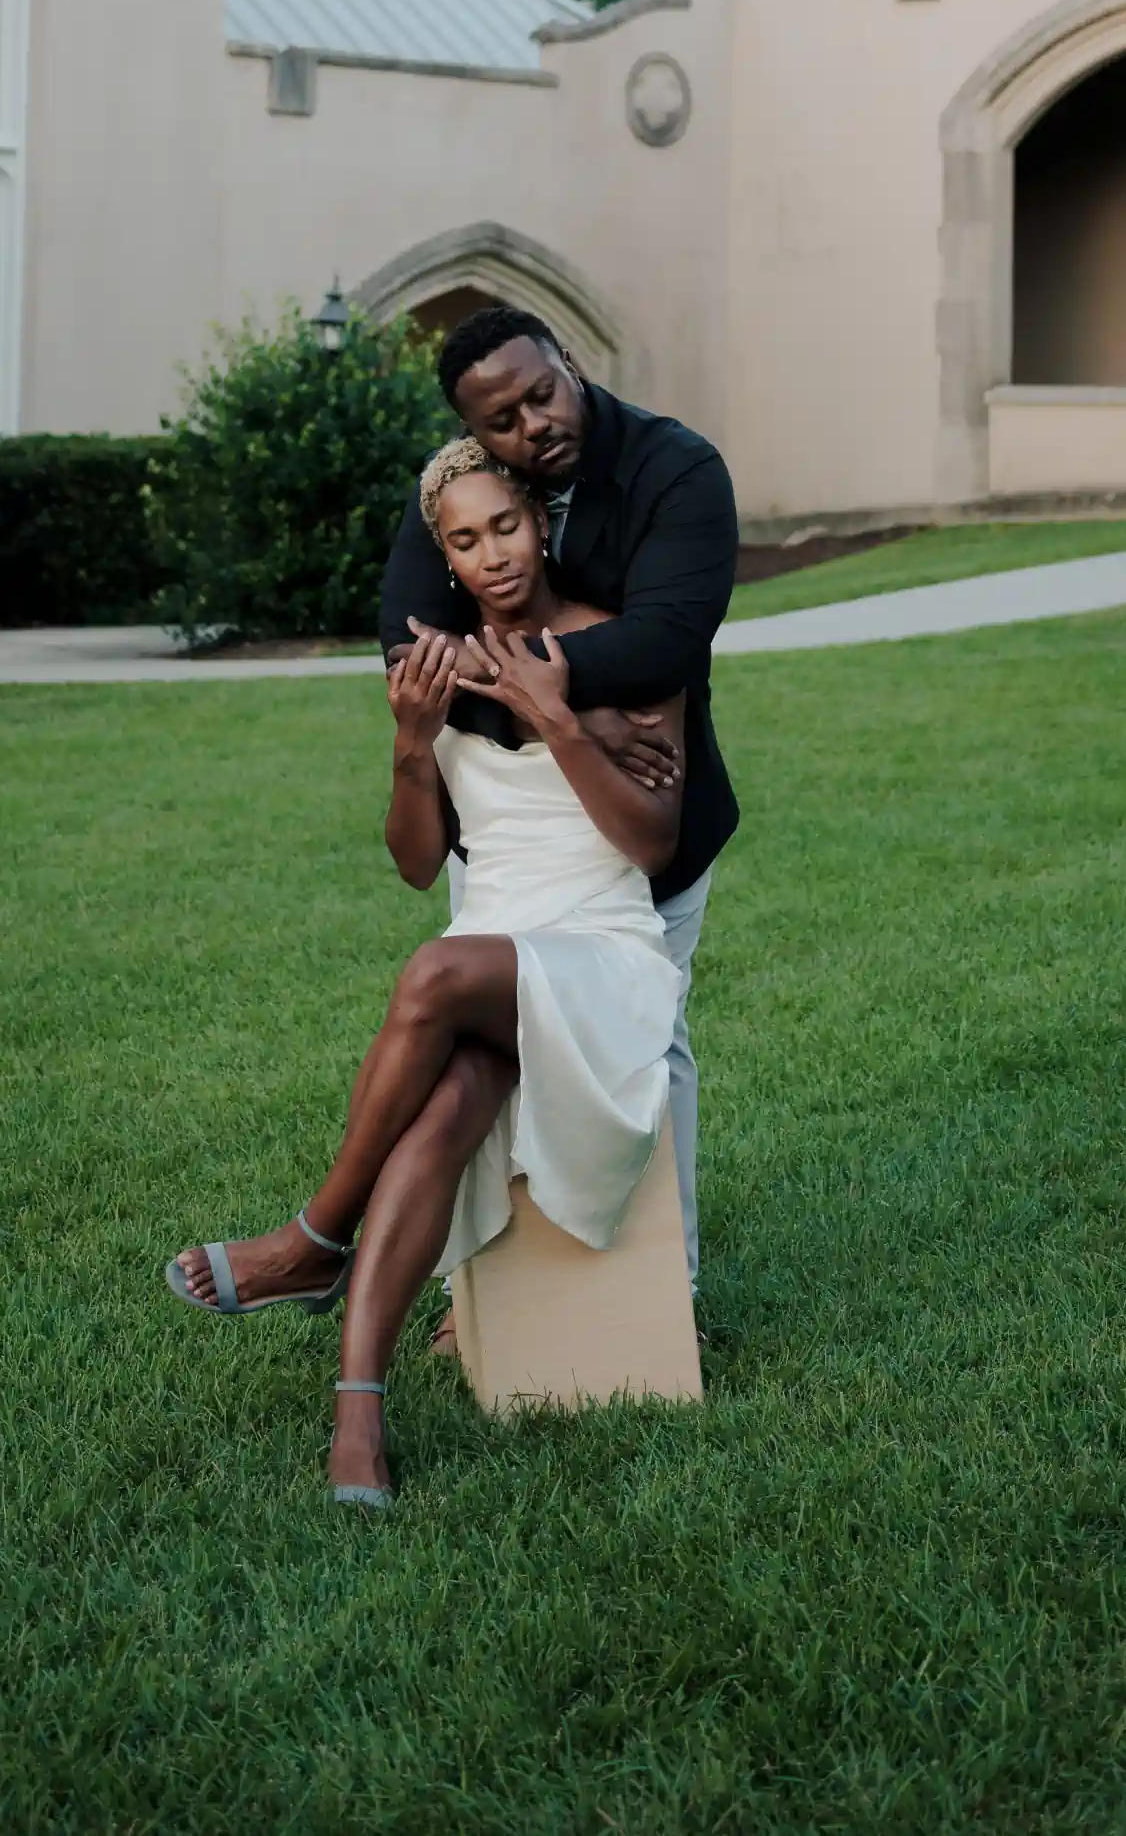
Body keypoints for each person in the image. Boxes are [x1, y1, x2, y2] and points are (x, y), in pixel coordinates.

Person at [167, 441, 685, 1510]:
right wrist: (411, 744)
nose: (491, 554)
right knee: (442, 1111)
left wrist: (555, 717)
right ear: (441, 558)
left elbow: (651, 845)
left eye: (505, 526)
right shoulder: (436, 668)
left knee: (434, 970)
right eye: (463, 539)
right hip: (493, 944)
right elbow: (416, 864)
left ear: (540, 522)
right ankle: (358, 1414)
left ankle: (314, 1237)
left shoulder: (624, 644)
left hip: (597, 949)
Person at [377, 306, 739, 1284]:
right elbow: (411, 650)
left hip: (643, 811)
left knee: (643, 1050)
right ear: (473, 429)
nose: (530, 426)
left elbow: (662, 642)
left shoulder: (676, 473)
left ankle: (671, 1284)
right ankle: (485, 1298)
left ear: (569, 364)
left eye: (542, 394)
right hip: (508, 840)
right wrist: (573, 708)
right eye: (501, 420)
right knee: (484, 1067)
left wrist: (527, 686)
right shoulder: (463, 491)